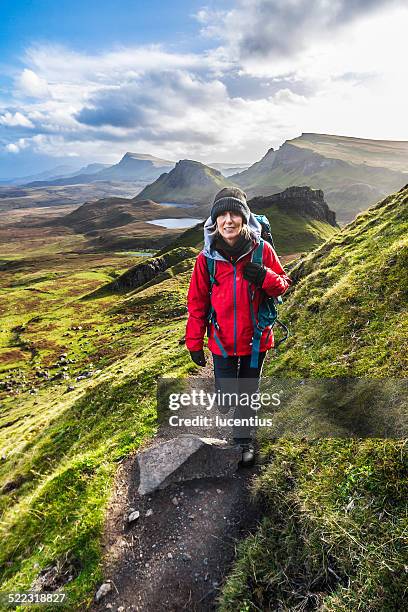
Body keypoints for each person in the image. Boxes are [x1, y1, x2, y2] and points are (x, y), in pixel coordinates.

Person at [185, 187, 292, 466]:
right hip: (221, 343)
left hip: (255, 341)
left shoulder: (262, 251)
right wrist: (194, 343)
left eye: (235, 214)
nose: (228, 220)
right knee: (226, 398)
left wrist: (266, 277)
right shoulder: (205, 260)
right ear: (215, 221)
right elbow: (197, 303)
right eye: (222, 215)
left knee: (247, 393)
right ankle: (225, 398)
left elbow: (283, 285)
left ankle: (244, 443)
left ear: (244, 219)